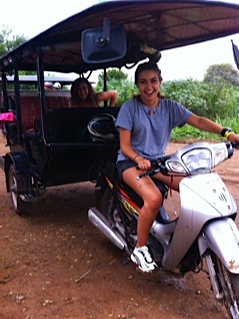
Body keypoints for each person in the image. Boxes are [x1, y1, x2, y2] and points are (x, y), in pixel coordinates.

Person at [115, 61, 239, 274]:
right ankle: (140, 248)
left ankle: (185, 238)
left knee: (196, 189)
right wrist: (138, 159)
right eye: (143, 82)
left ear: (160, 82)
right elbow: (124, 147)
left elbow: (198, 121)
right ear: (136, 85)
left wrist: (227, 134)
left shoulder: (169, 107)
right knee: (154, 198)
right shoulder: (130, 108)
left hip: (159, 163)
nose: (149, 87)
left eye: (153, 81)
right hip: (130, 163)